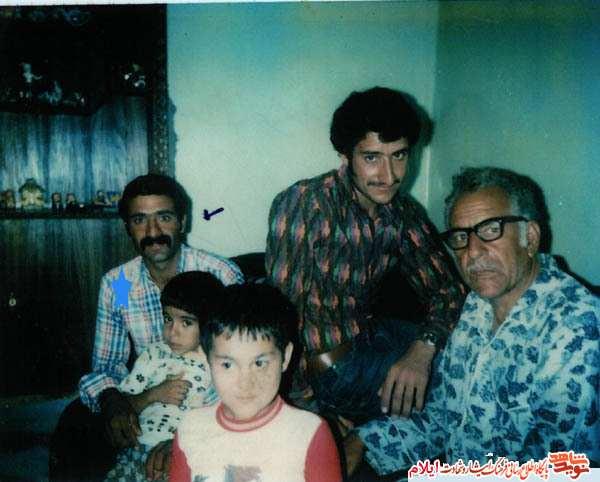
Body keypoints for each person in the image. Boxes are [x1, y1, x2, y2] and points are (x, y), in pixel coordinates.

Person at [346, 167, 600, 475]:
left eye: (491, 230)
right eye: (461, 237)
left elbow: (556, 472)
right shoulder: (476, 305)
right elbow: (442, 416)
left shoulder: (576, 326)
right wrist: (363, 441)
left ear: (530, 238)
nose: (473, 252)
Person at [265, 87, 467, 429]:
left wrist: (422, 349)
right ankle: (369, 437)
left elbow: (448, 291)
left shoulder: (403, 214)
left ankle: (370, 434)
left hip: (372, 335)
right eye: (372, 157)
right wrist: (306, 412)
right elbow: (281, 317)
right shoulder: (306, 204)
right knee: (456, 381)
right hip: (328, 368)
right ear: (345, 156)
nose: (389, 176)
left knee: (469, 351)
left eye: (399, 155)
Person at [49, 174, 243, 481]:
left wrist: (190, 435)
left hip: (208, 401)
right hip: (147, 397)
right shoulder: (119, 284)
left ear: (182, 221)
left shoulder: (219, 274)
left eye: (164, 217)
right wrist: (114, 402)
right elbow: (107, 365)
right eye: (140, 220)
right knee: (75, 423)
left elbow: (241, 368)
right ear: (128, 227)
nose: (153, 232)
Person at [169, 283, 343, 481]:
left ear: (285, 357)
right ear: (206, 360)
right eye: (228, 365)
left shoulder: (309, 433)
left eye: (259, 363)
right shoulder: (190, 428)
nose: (245, 384)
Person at [105, 271, 223, 481]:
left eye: (186, 322)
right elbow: (123, 406)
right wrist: (154, 394)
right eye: (168, 319)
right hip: (138, 449)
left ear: (208, 323)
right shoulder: (154, 354)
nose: (172, 332)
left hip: (183, 456)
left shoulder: (218, 365)